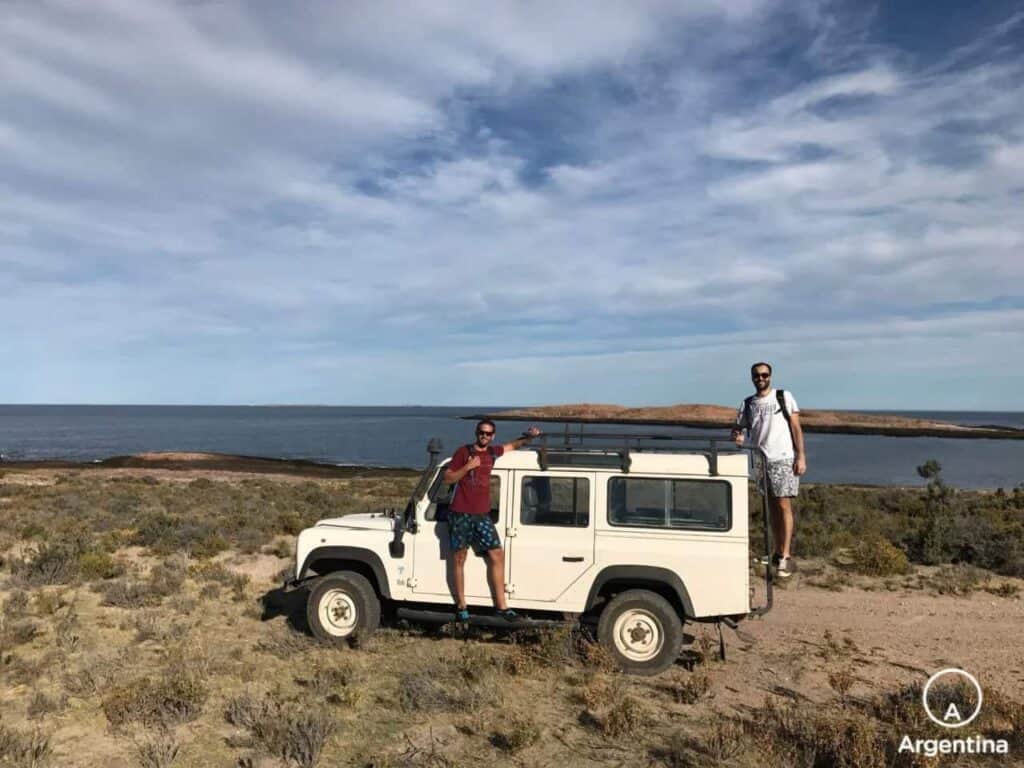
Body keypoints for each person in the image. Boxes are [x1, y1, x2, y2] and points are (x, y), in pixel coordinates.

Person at [443, 420, 541, 622]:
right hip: (460, 513)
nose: (484, 436)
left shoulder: (492, 452)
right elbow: (448, 478)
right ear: (476, 433)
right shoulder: (463, 452)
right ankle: (462, 606)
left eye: (488, 434)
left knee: (497, 554)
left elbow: (512, 445)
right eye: (481, 432)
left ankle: (502, 606)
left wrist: (528, 437)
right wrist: (467, 466)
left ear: (493, 436)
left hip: (481, 515)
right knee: (460, 558)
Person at [731, 362, 806, 578]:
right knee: (771, 506)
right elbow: (738, 428)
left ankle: (785, 555)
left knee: (783, 504)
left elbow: (796, 427)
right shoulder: (748, 403)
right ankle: (775, 551)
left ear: (770, 376)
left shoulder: (783, 397)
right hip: (760, 460)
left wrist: (801, 456)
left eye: (764, 375)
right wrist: (738, 436)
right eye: (757, 375)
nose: (760, 378)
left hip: (783, 459)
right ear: (752, 378)